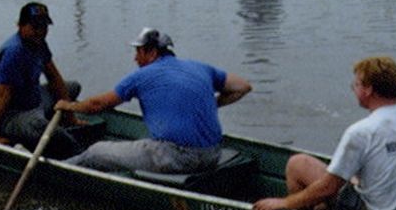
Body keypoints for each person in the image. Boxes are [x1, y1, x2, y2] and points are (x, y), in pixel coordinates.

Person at [253, 56, 396, 210]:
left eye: (355, 85)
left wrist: (284, 203)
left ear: (368, 90)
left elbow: (329, 188)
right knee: (349, 177)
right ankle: (322, 208)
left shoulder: (362, 131)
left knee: (297, 164)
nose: (353, 89)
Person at [55, 28, 252, 173]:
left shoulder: (142, 76)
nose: (135, 59)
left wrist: (68, 106)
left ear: (152, 53)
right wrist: (211, 104)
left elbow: (97, 105)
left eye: (138, 52)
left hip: (176, 158)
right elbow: (243, 87)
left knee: (95, 152)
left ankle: (56, 170)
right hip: (212, 156)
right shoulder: (200, 67)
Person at [0, 1, 79, 148]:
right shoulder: (14, 52)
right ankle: (75, 149)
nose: (40, 31)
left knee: (73, 87)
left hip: (33, 100)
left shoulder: (40, 44)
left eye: (44, 27)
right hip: (9, 114)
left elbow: (54, 78)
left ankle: (52, 118)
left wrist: (70, 115)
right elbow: (3, 96)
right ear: (20, 26)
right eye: (35, 27)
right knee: (40, 127)